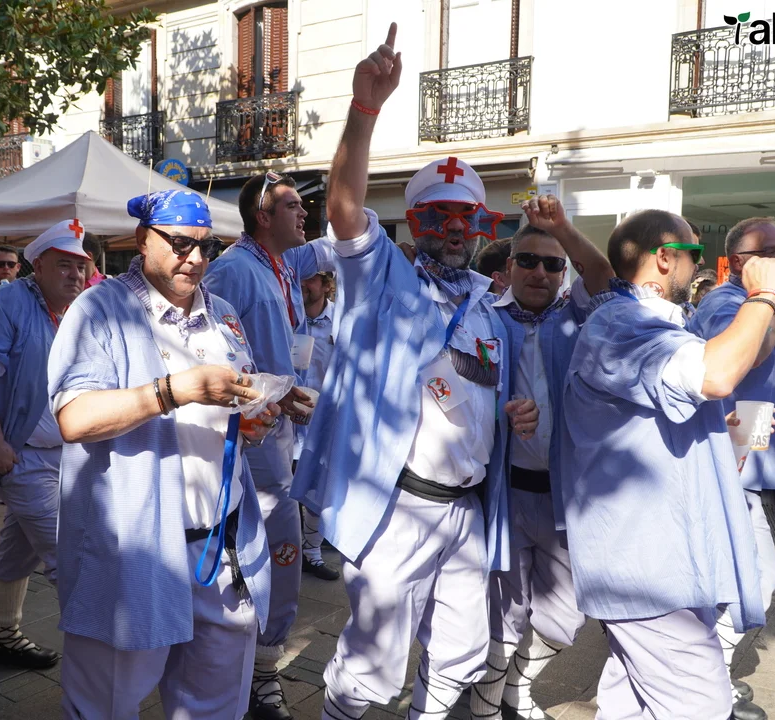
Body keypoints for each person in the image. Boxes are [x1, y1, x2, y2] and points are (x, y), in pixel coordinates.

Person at [291, 25, 539, 720]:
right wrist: (365, 108)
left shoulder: (492, 308)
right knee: (372, 667)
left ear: (481, 227)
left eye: (465, 218)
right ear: (416, 223)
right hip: (395, 507)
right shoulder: (384, 280)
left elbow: (486, 393)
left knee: (460, 654)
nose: (454, 229)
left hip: (466, 510)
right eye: (438, 216)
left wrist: (512, 412)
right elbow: (344, 209)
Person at [46, 189, 281, 719]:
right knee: (105, 705)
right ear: (141, 240)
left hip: (222, 546)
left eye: (206, 247)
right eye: (179, 244)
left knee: (215, 707)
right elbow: (75, 418)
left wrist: (252, 419)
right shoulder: (99, 309)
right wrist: (177, 390)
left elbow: (227, 411)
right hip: (136, 554)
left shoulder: (222, 313)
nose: (194, 258)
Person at [562, 209, 775, 719]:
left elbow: (654, 425)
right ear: (665, 257)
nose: (699, 265)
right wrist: (764, 296)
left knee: (630, 704)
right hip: (647, 570)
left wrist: (725, 434)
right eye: (695, 253)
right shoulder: (620, 324)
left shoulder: (649, 321)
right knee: (702, 707)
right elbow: (715, 375)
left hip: (661, 560)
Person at [470, 197, 613, 720]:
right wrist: (499, 412)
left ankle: (515, 687)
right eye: (528, 261)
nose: (540, 272)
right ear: (509, 267)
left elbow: (604, 276)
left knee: (565, 617)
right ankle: (487, 706)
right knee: (503, 616)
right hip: (505, 495)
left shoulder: (579, 317)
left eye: (553, 264)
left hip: (563, 501)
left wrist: (564, 229)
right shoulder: (482, 319)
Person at [687, 218, 775, 720]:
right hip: (735, 474)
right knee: (755, 580)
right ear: (738, 261)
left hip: (761, 478)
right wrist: (771, 301)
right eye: (768, 252)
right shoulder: (727, 303)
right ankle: (702, 687)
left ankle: (707, 681)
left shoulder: (769, 304)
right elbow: (743, 361)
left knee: (747, 581)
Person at [204, 172, 332, 720]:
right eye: (293, 206)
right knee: (261, 553)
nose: (305, 214)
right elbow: (214, 355)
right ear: (262, 216)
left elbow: (344, 236)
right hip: (251, 443)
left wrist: (288, 393)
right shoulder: (234, 270)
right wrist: (269, 396)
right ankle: (249, 673)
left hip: (280, 438)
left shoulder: (283, 263)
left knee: (279, 553)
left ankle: (259, 667)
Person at [0, 220, 89, 670]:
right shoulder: (11, 300)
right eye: (64, 265)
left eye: (81, 266)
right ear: (39, 266)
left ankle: (2, 635)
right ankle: (98, 664)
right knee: (69, 555)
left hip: (66, 454)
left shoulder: (76, 310)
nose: (75, 274)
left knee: (21, 547)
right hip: (22, 456)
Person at [295, 271, 339, 583]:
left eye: (310, 279)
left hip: (324, 422)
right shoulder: (287, 315)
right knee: (281, 493)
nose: (302, 284)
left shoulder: (341, 322)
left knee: (317, 493)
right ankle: (283, 552)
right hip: (285, 419)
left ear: (326, 285)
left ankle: (311, 553)